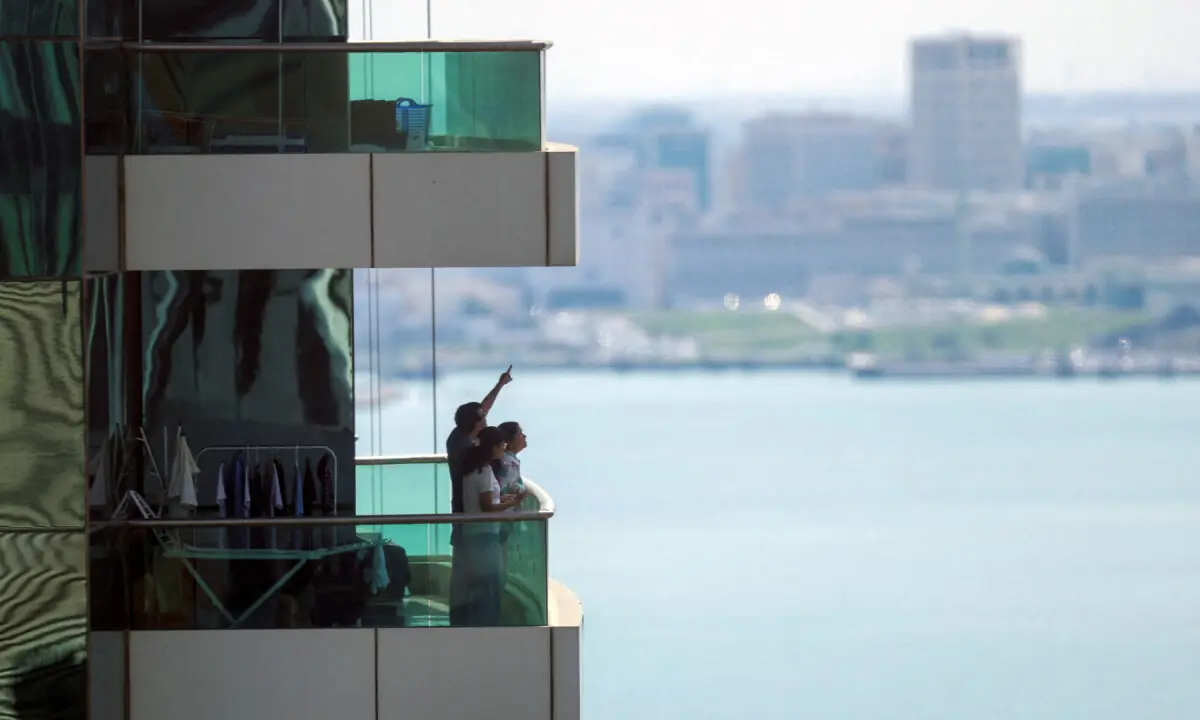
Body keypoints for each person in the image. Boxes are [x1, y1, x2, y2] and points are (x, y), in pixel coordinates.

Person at [446, 366, 513, 625]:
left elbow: (483, 408)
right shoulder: (468, 450)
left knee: (466, 571)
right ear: (475, 425)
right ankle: (475, 620)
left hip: (466, 514)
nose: (485, 419)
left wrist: (499, 385)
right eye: (481, 419)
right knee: (473, 573)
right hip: (470, 516)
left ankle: (464, 617)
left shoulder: (459, 437)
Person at [459, 426, 527, 625]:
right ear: (494, 447)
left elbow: (487, 498)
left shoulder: (472, 469)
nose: (504, 448)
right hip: (485, 533)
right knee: (489, 583)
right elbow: (488, 506)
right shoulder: (485, 472)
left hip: (473, 531)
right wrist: (513, 502)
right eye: (501, 445)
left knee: (479, 583)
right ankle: (486, 624)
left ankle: (477, 622)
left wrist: (501, 497)